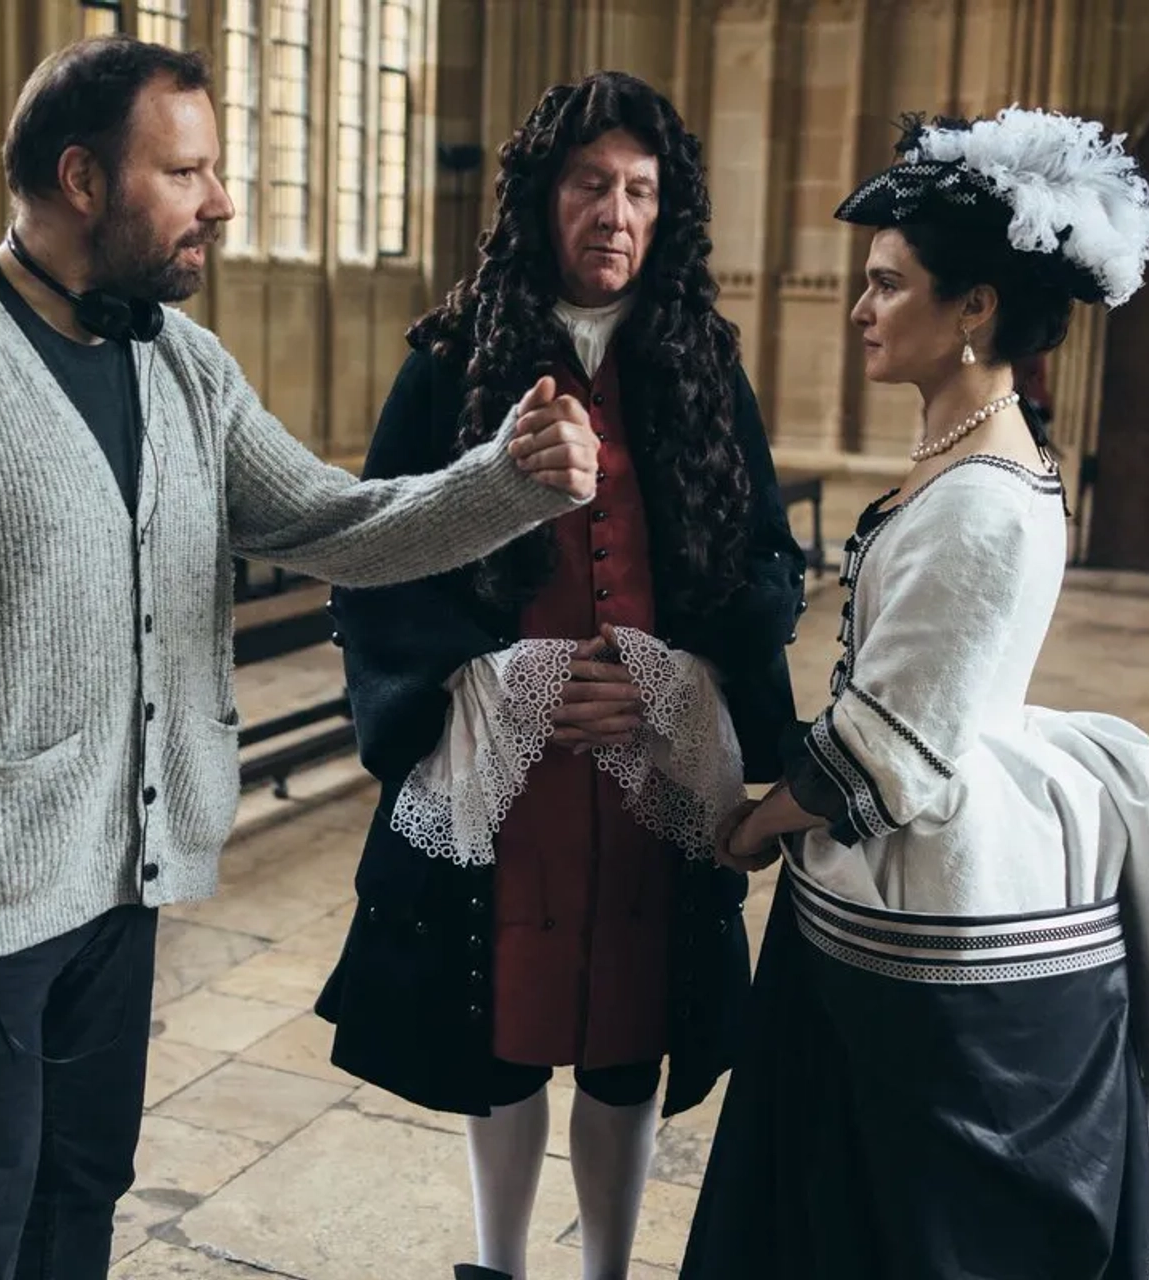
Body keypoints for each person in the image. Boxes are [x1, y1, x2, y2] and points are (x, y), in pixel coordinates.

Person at [0, 36, 601, 1280]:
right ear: (83, 177)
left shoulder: (179, 362)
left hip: (118, 885)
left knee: (81, 1188)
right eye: (188, 171)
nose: (221, 201)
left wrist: (505, 484)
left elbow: (329, 519)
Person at [678, 107, 1149, 1280]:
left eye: (888, 283)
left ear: (975, 308)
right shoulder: (964, 453)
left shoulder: (981, 497)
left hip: (935, 902)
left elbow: (884, 750)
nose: (861, 309)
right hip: (885, 881)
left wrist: (754, 825)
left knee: (906, 1212)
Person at [313, 72, 806, 1280]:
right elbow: (372, 554)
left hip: (651, 776)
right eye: (592, 184)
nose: (615, 213)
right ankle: (501, 1262)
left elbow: (768, 567)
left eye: (640, 190)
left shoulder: (701, 368)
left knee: (630, 1034)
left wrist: (675, 683)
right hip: (507, 773)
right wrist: (480, 682)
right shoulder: (446, 362)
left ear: (666, 211)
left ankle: (604, 1270)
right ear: (544, 197)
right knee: (506, 1026)